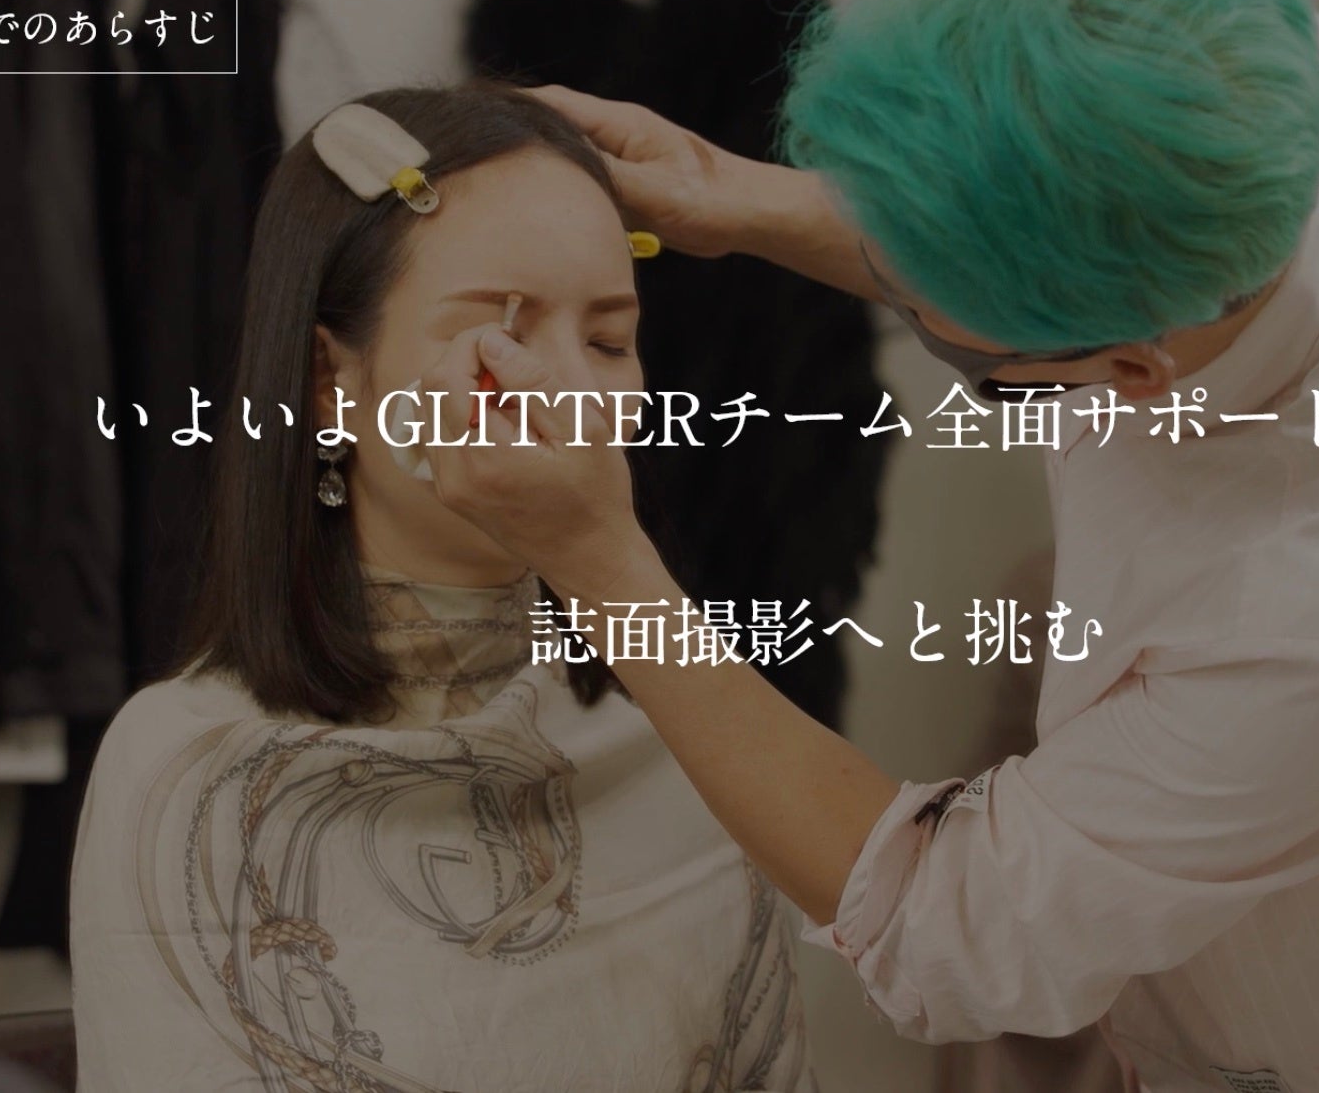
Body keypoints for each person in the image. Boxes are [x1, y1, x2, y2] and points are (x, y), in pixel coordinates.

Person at [405, 0, 1319, 1088]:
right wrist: (751, 198)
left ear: (1126, 372)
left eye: (959, 351)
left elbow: (953, 932)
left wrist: (599, 559)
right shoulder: (1221, 63)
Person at [68, 83, 813, 1092]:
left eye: (607, 342)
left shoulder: (697, 753)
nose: (572, 393)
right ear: (329, 381)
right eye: (502, 335)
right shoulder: (188, 777)